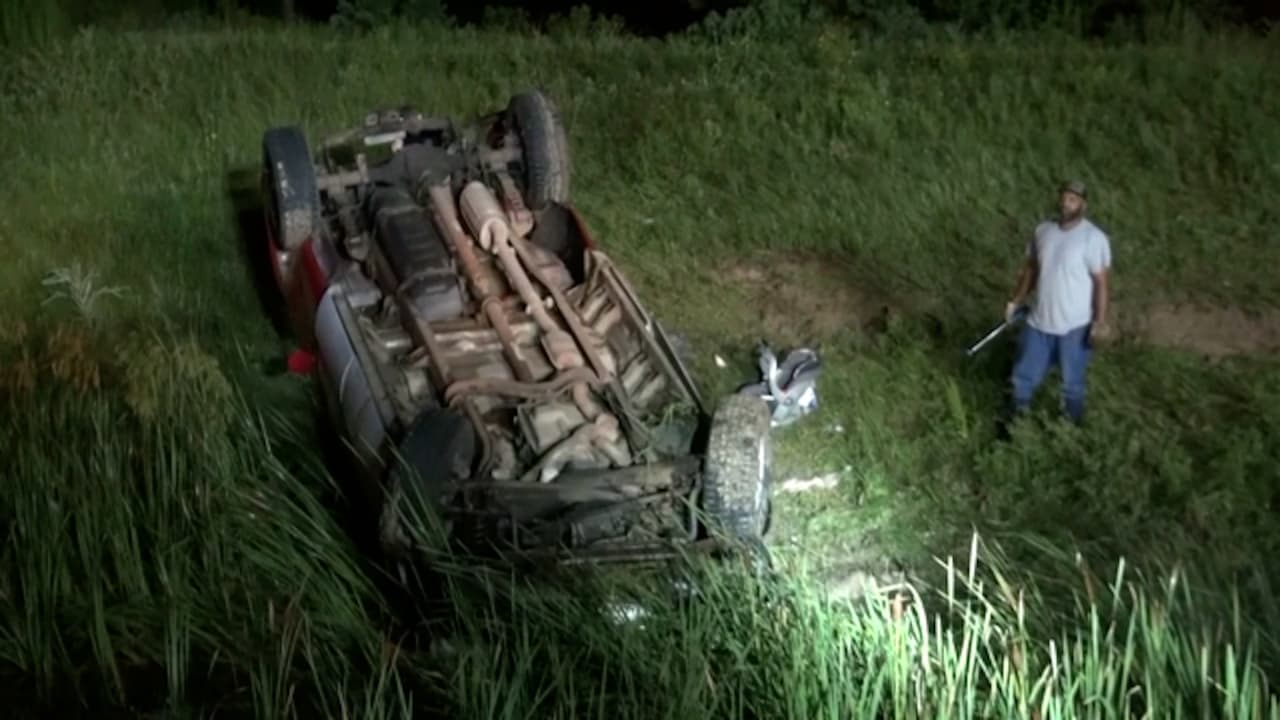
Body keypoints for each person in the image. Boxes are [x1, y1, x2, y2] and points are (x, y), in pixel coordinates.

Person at [1004, 180, 1113, 425]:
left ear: (1083, 205)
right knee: (1022, 378)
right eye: (1064, 198)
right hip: (1038, 322)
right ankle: (1015, 428)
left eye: (1073, 200)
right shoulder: (1043, 231)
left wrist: (1100, 321)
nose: (1066, 203)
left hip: (1074, 327)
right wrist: (1015, 301)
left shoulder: (1093, 238)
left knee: (1072, 385)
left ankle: (1071, 430)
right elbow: (1031, 270)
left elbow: (1101, 283)